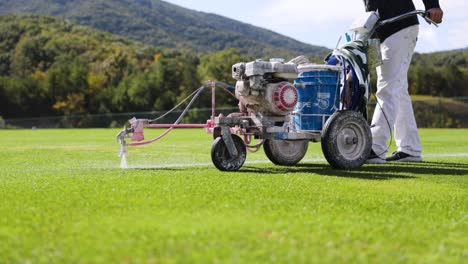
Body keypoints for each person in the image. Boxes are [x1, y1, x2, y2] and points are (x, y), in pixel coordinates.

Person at [364, 0, 444, 163]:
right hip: (382, 35)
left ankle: (375, 147)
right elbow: (371, 12)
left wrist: (432, 5)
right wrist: (372, 50)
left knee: (388, 88)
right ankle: (410, 148)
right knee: (397, 90)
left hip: (400, 26)